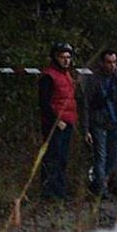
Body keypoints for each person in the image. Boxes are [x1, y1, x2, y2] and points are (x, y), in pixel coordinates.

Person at [86, 50, 117, 198]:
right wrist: (86, 128)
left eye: (114, 62)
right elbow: (86, 104)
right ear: (102, 63)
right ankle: (101, 188)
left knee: (115, 156)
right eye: (108, 62)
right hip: (98, 121)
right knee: (100, 156)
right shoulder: (94, 79)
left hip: (116, 122)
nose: (112, 66)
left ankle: (105, 183)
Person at [35, 43, 79, 201]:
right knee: (52, 157)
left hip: (68, 121)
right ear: (55, 58)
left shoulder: (67, 75)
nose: (66, 60)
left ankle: (60, 190)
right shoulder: (48, 76)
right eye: (63, 57)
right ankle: (48, 192)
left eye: (68, 57)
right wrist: (56, 121)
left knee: (62, 158)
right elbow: (44, 103)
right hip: (55, 123)